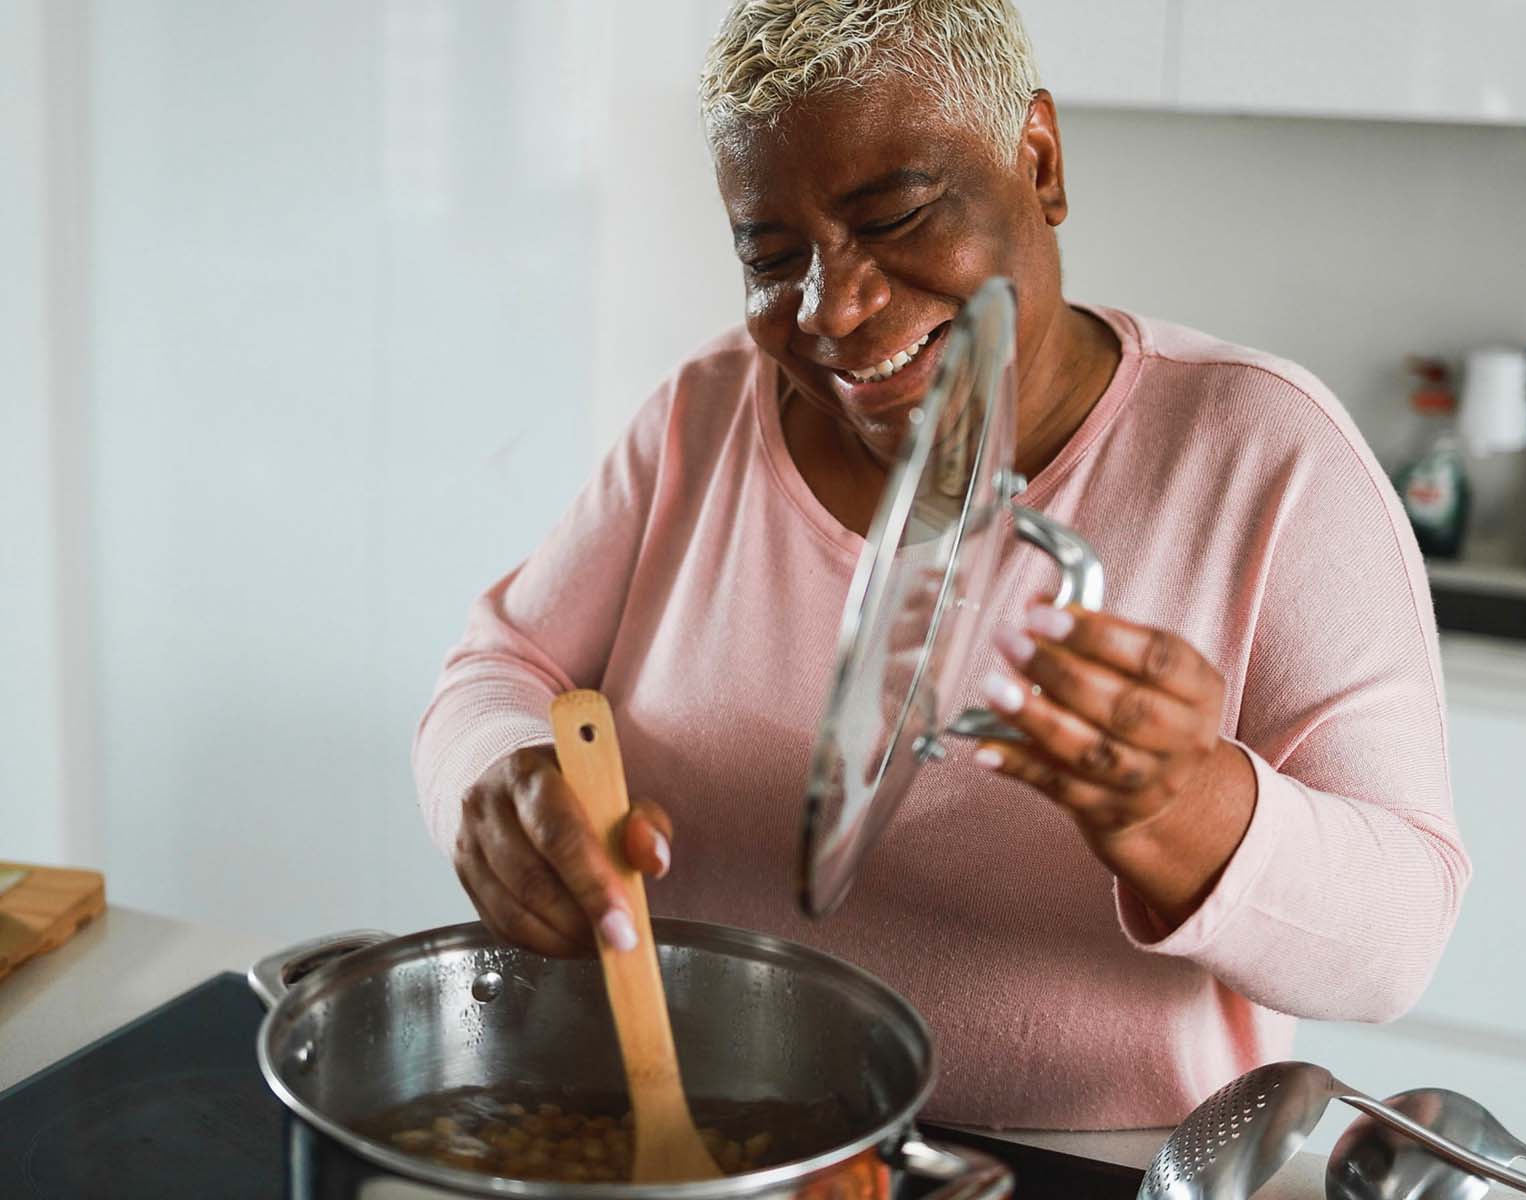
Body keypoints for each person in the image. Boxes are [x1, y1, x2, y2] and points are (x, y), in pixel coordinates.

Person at [414, 0, 1469, 1130]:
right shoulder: (705, 413)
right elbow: (498, 665)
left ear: (1040, 162)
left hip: (1083, 1167)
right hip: (704, 1142)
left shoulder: (1263, 455)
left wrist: (1188, 808)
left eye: (898, 216)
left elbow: (1396, 946)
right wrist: (498, 775)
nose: (834, 308)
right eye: (771, 257)